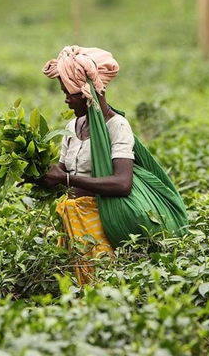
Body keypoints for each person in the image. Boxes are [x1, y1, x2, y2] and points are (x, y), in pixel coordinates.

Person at [34, 46, 188, 284]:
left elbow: (122, 183)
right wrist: (35, 174)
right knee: (72, 285)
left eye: (70, 94)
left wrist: (66, 180)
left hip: (103, 220)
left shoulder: (117, 126)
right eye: (64, 92)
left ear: (88, 94)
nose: (66, 99)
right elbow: (62, 172)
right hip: (73, 219)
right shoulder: (72, 127)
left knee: (100, 283)